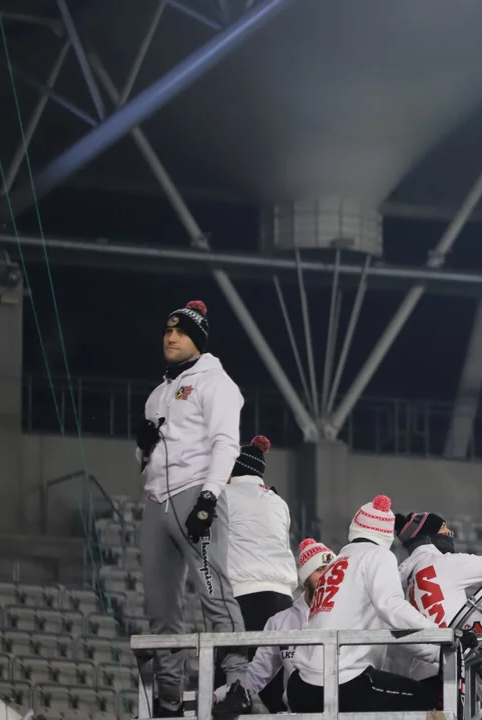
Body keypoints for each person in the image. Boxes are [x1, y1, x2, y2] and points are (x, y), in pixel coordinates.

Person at [135, 300, 251, 717]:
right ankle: (169, 698)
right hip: (156, 502)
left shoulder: (215, 383)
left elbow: (226, 443)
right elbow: (148, 461)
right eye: (168, 331)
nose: (171, 337)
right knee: (160, 606)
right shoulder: (156, 394)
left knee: (213, 591)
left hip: (194, 496)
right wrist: (142, 449)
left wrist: (209, 496)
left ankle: (238, 681)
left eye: (181, 332)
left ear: (196, 340)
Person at [287, 495, 476, 713]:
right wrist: (444, 636)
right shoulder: (377, 555)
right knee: (430, 701)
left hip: (301, 686)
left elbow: (393, 627)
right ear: (385, 533)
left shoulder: (336, 563)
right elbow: (392, 608)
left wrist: (435, 651)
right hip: (340, 683)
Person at [391, 513, 482, 685]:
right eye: (443, 527)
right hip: (449, 670)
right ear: (429, 535)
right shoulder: (444, 563)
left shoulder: (408, 579)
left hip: (421, 675)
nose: (449, 531)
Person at [216, 434, 297, 712]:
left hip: (244, 598)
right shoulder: (278, 502)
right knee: (276, 690)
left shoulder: (223, 496)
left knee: (226, 687)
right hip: (284, 601)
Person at [214, 538, 335, 712]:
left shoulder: (345, 615)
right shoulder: (281, 622)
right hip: (298, 712)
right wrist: (218, 695)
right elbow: (257, 673)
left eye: (332, 571)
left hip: (340, 709)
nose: (327, 577)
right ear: (306, 577)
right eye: (320, 570)